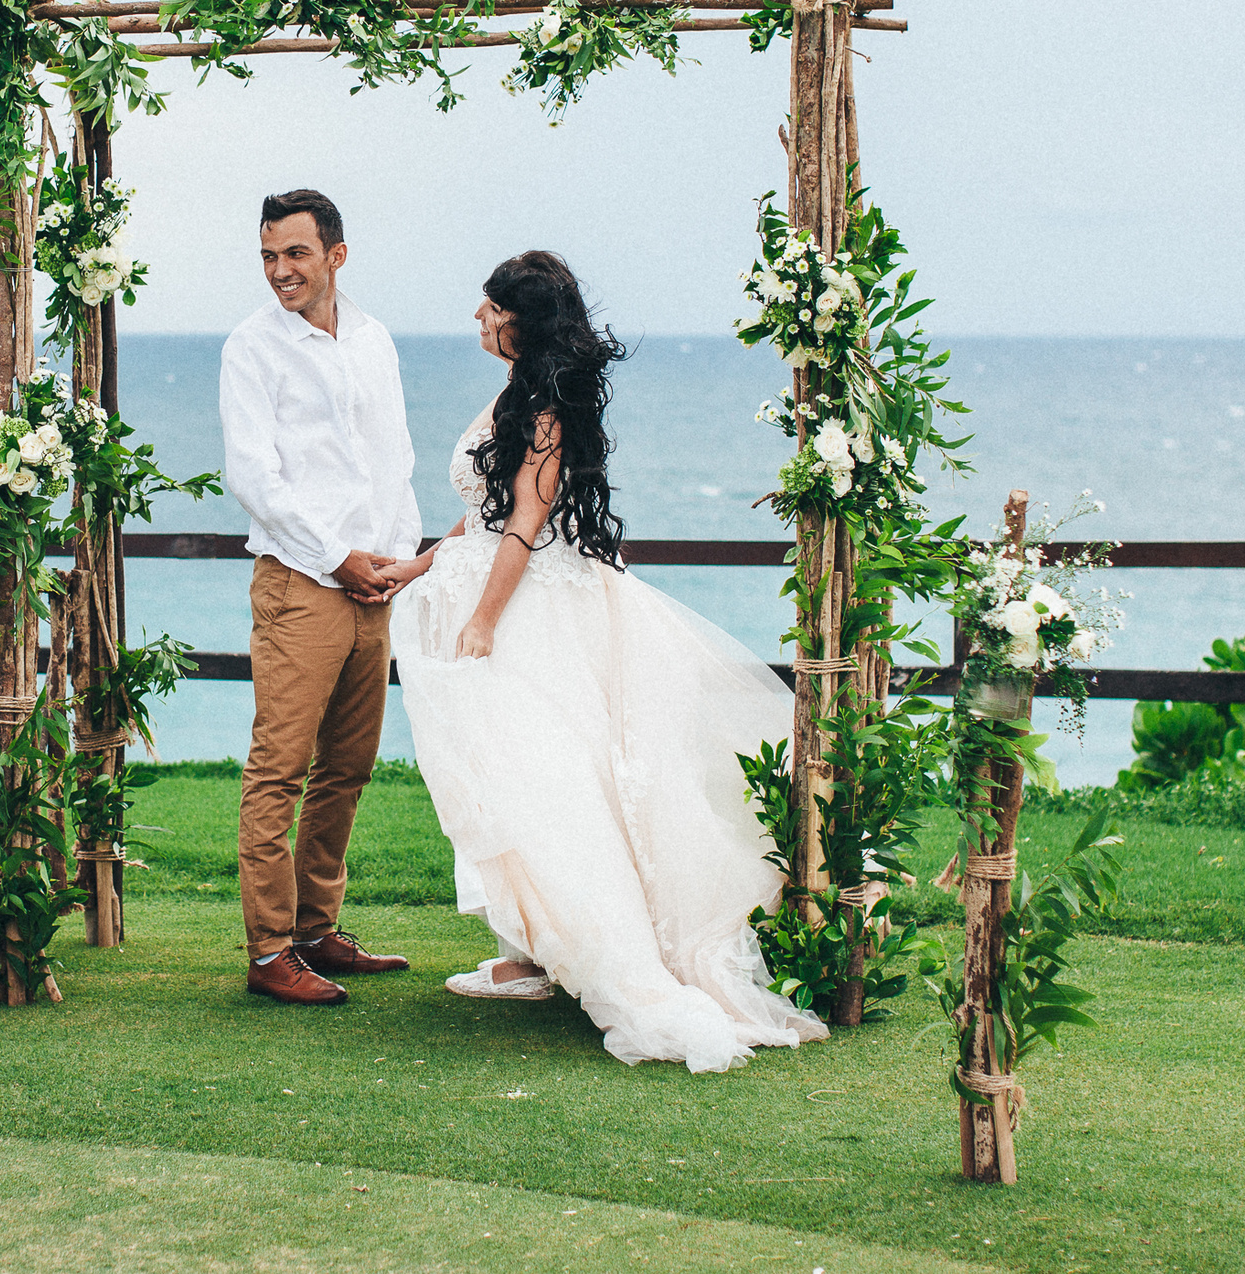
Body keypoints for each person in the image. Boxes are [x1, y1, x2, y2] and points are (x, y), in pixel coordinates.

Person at [375, 251, 827, 1071]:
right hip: (509, 595)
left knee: (546, 783)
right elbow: (482, 515)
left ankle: (590, 956)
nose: (478, 318)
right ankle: (527, 952)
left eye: (490, 308)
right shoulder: (516, 395)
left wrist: (482, 621)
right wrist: (416, 566)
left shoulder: (547, 408)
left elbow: (524, 523)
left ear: (523, 320)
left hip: (531, 616)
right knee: (514, 780)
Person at [218, 189, 422, 1006]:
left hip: (374, 586)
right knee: (280, 769)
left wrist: (396, 560)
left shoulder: (374, 339)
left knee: (347, 767)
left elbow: (393, 457)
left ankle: (314, 929)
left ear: (336, 254)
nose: (280, 270)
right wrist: (338, 557)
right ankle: (270, 950)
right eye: (269, 255)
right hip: (302, 582)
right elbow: (253, 476)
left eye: (295, 253)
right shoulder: (252, 346)